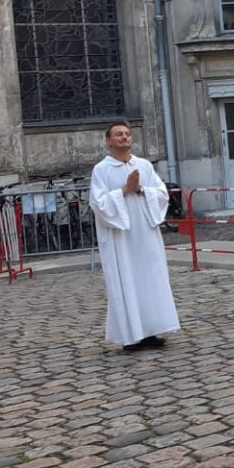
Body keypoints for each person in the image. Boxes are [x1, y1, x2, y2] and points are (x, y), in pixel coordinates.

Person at [88, 121, 180, 350]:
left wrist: (141, 189)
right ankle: (131, 334)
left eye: (128, 134)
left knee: (150, 278)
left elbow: (161, 194)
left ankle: (151, 330)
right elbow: (98, 203)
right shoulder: (102, 170)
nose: (124, 138)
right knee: (126, 278)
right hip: (121, 236)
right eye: (119, 135)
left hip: (145, 233)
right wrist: (124, 190)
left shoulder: (144, 166)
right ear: (109, 141)